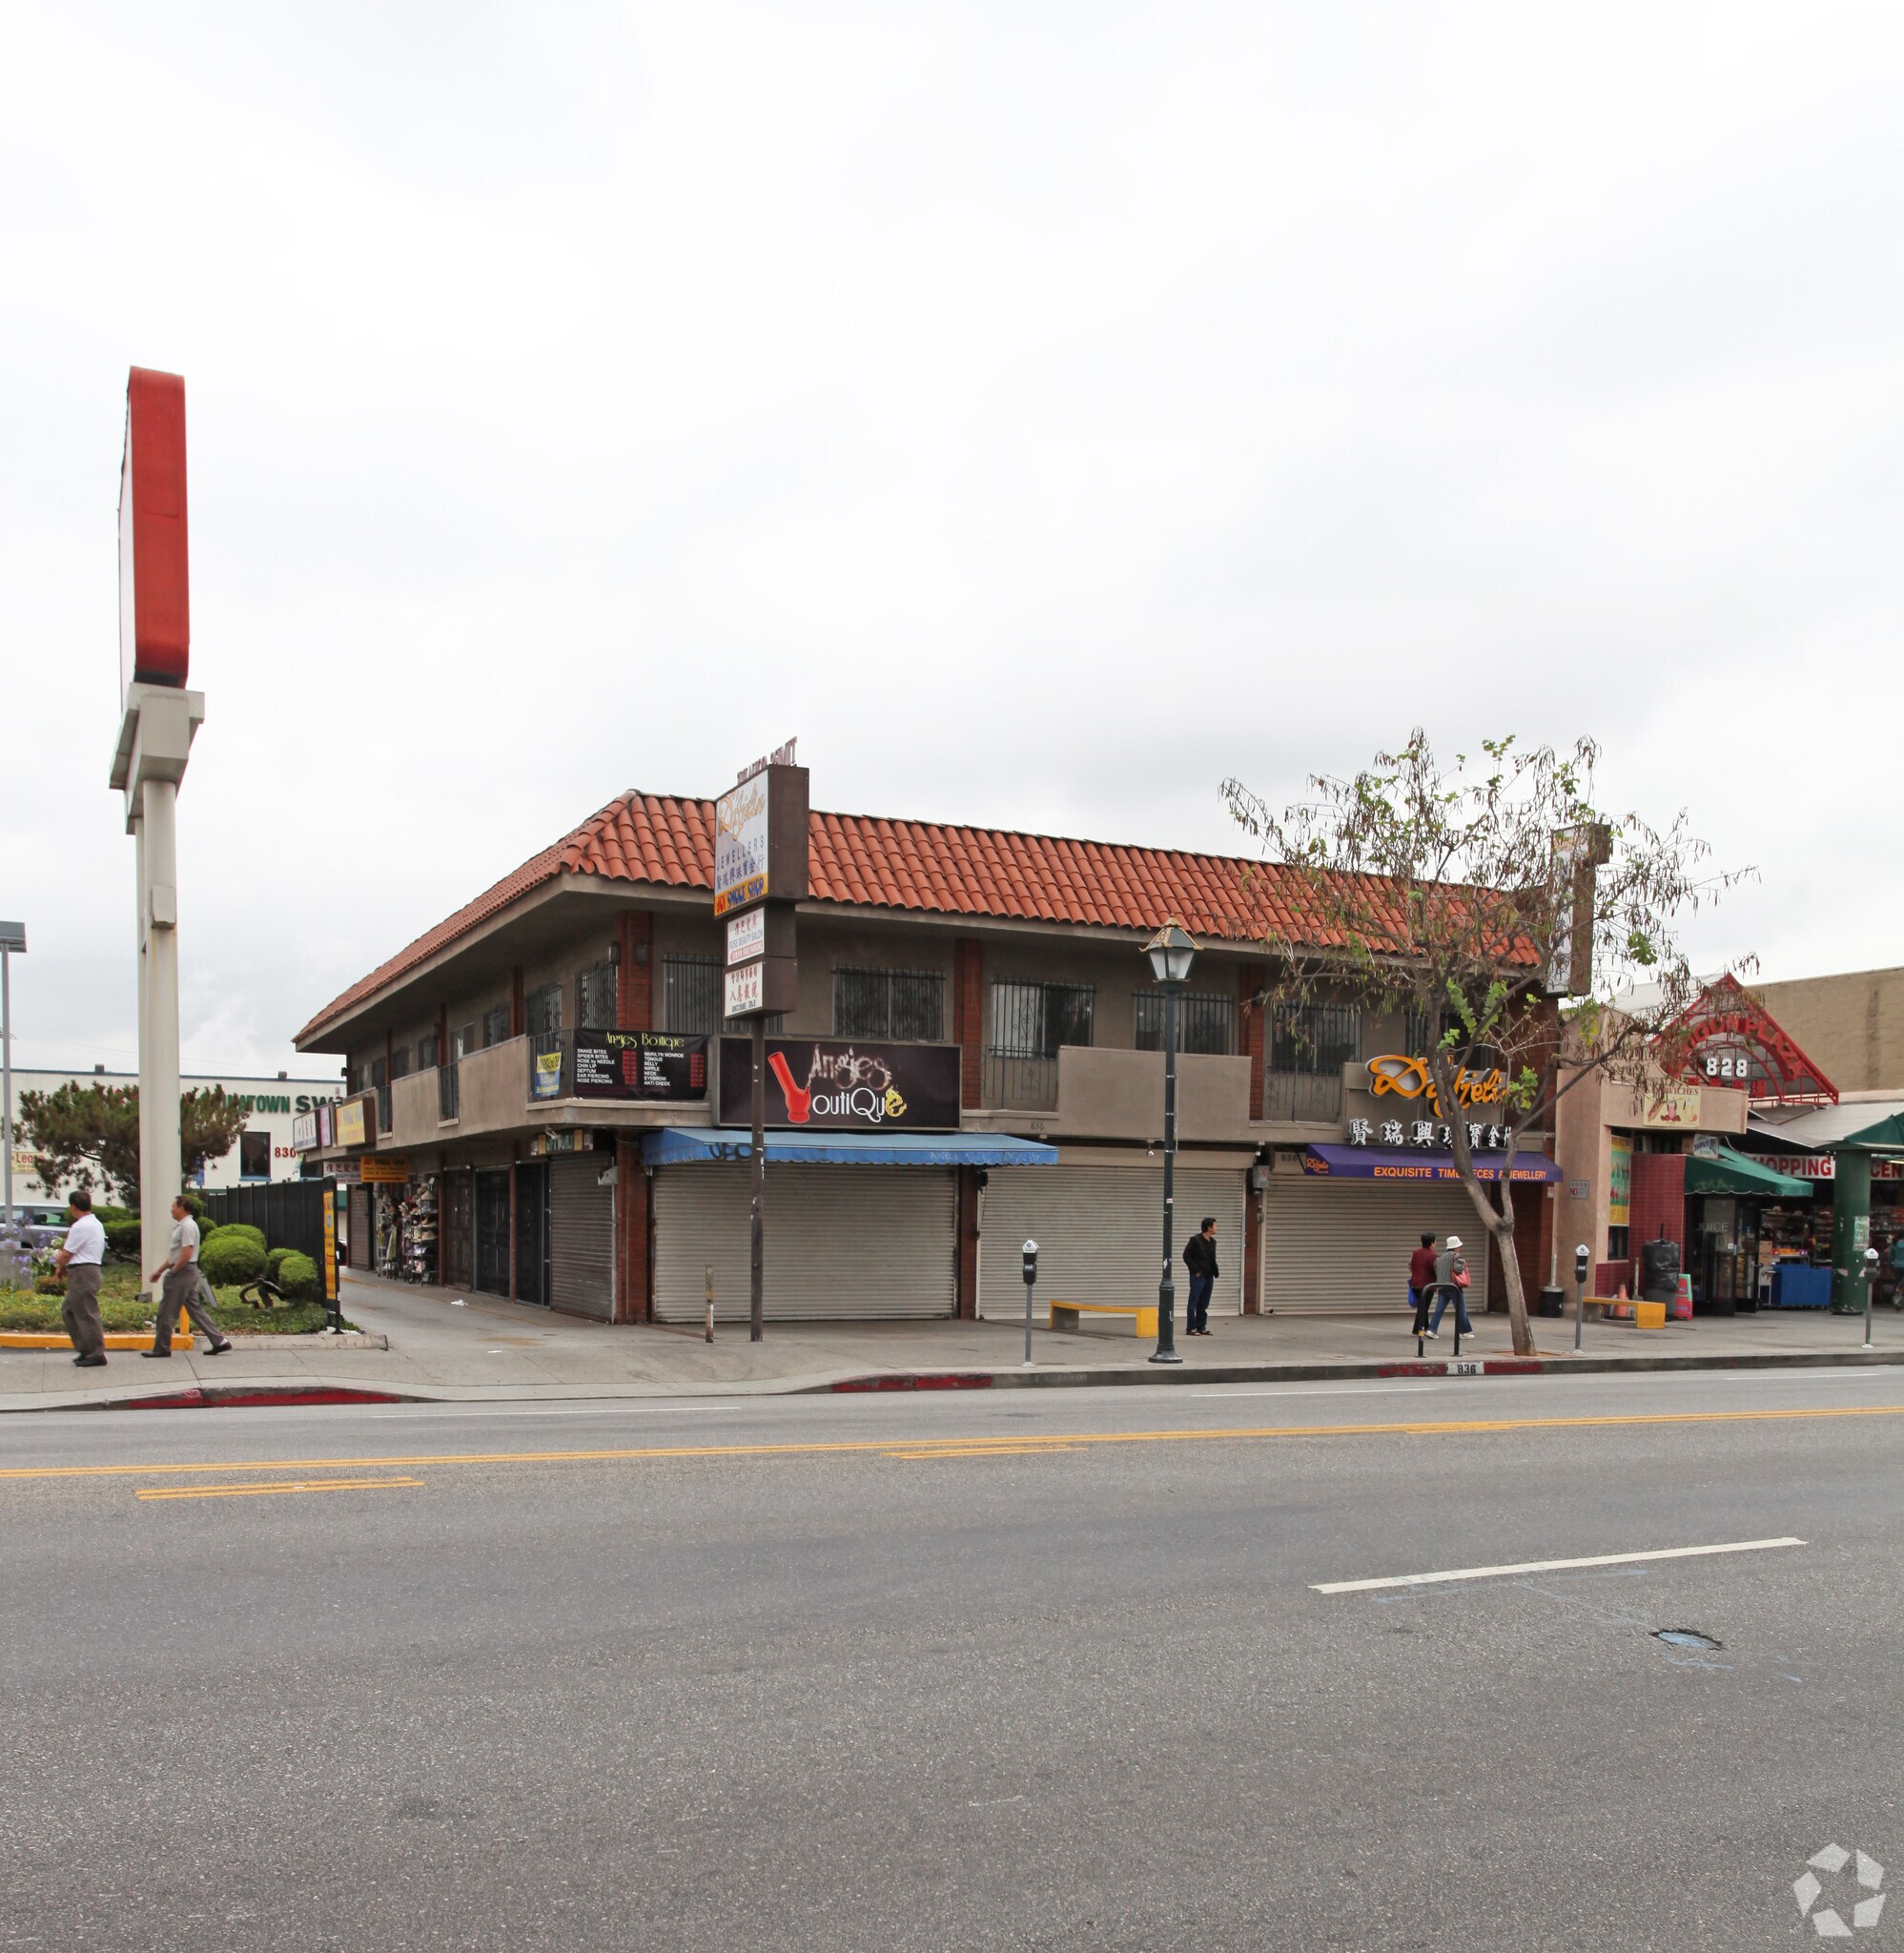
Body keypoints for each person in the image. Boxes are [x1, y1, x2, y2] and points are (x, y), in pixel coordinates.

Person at [145, 1195, 232, 1359]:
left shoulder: (188, 1227)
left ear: (182, 1207)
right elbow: (175, 1254)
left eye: (173, 1206)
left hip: (183, 1272)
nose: (171, 1209)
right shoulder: (183, 1226)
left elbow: (186, 1253)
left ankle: (161, 1348)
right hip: (185, 1270)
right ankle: (219, 1341)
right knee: (194, 1308)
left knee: (166, 1310)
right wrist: (160, 1270)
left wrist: (174, 1271)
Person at [51, 1188, 108, 1367]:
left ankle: (95, 1353)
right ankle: (85, 1348)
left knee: (86, 1314)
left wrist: (58, 1263)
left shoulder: (81, 1226)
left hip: (83, 1272)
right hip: (84, 1271)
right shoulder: (95, 1223)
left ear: (74, 1207)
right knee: (69, 1310)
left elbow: (66, 1254)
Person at [1426, 1233, 1473, 1340]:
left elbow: (1436, 1270)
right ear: (1456, 1247)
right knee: (1461, 1309)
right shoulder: (1456, 1256)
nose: (1460, 1248)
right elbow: (1457, 1270)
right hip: (1453, 1286)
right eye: (1459, 1246)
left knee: (1439, 1309)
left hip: (1441, 1286)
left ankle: (1431, 1330)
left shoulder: (1440, 1258)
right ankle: (1465, 1331)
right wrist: (1463, 1264)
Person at [1183, 1218, 1218, 1336]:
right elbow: (1186, 1256)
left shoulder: (1213, 1242)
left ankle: (1201, 1326)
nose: (1216, 1228)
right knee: (1193, 1301)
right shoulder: (1195, 1240)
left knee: (1204, 1302)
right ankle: (1190, 1328)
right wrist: (1196, 1270)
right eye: (1215, 1226)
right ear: (1209, 1227)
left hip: (1209, 1276)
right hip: (1198, 1276)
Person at [1408, 1231, 1438, 1337]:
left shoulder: (1415, 1253)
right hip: (1427, 1285)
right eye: (1435, 1241)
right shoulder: (1433, 1256)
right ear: (1432, 1243)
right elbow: (1436, 1269)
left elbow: (1410, 1266)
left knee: (1422, 1306)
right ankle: (1418, 1330)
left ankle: (1424, 1328)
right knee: (1423, 1307)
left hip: (1415, 1283)